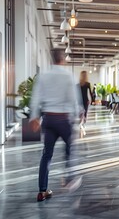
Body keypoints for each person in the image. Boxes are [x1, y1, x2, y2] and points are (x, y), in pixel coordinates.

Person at [30, 49, 82, 202]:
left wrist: (34, 117)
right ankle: (69, 179)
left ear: (51, 59)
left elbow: (36, 97)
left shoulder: (43, 76)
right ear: (63, 59)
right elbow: (74, 100)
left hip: (49, 120)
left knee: (46, 155)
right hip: (63, 119)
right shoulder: (68, 76)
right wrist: (76, 118)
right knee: (71, 147)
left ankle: (42, 191)